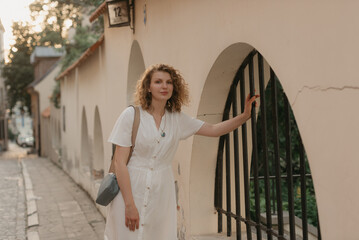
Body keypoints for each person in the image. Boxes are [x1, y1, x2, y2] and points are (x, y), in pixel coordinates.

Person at [104, 64, 259, 240]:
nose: (164, 86)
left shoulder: (177, 119)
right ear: (148, 87)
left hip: (162, 194)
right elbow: (119, 163)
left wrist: (245, 116)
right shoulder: (130, 115)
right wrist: (130, 205)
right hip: (130, 191)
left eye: (169, 82)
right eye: (158, 82)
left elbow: (214, 129)